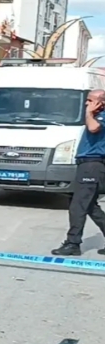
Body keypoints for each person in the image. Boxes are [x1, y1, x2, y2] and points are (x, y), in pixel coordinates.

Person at [52, 89, 105, 257]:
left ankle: (73, 243)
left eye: (90, 100)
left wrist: (89, 113)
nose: (86, 104)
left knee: (78, 206)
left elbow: (94, 128)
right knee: (89, 206)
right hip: (87, 164)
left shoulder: (100, 116)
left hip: (93, 165)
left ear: (100, 103)